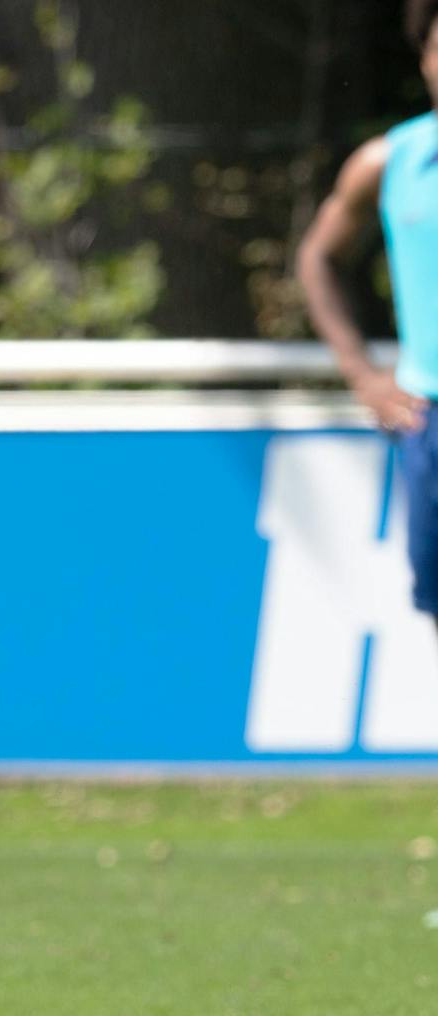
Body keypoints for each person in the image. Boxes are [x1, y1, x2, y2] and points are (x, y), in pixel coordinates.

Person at [298, 0, 438, 631]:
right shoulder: (390, 163)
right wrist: (363, 374)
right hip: (429, 420)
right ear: (426, 58)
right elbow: (318, 258)